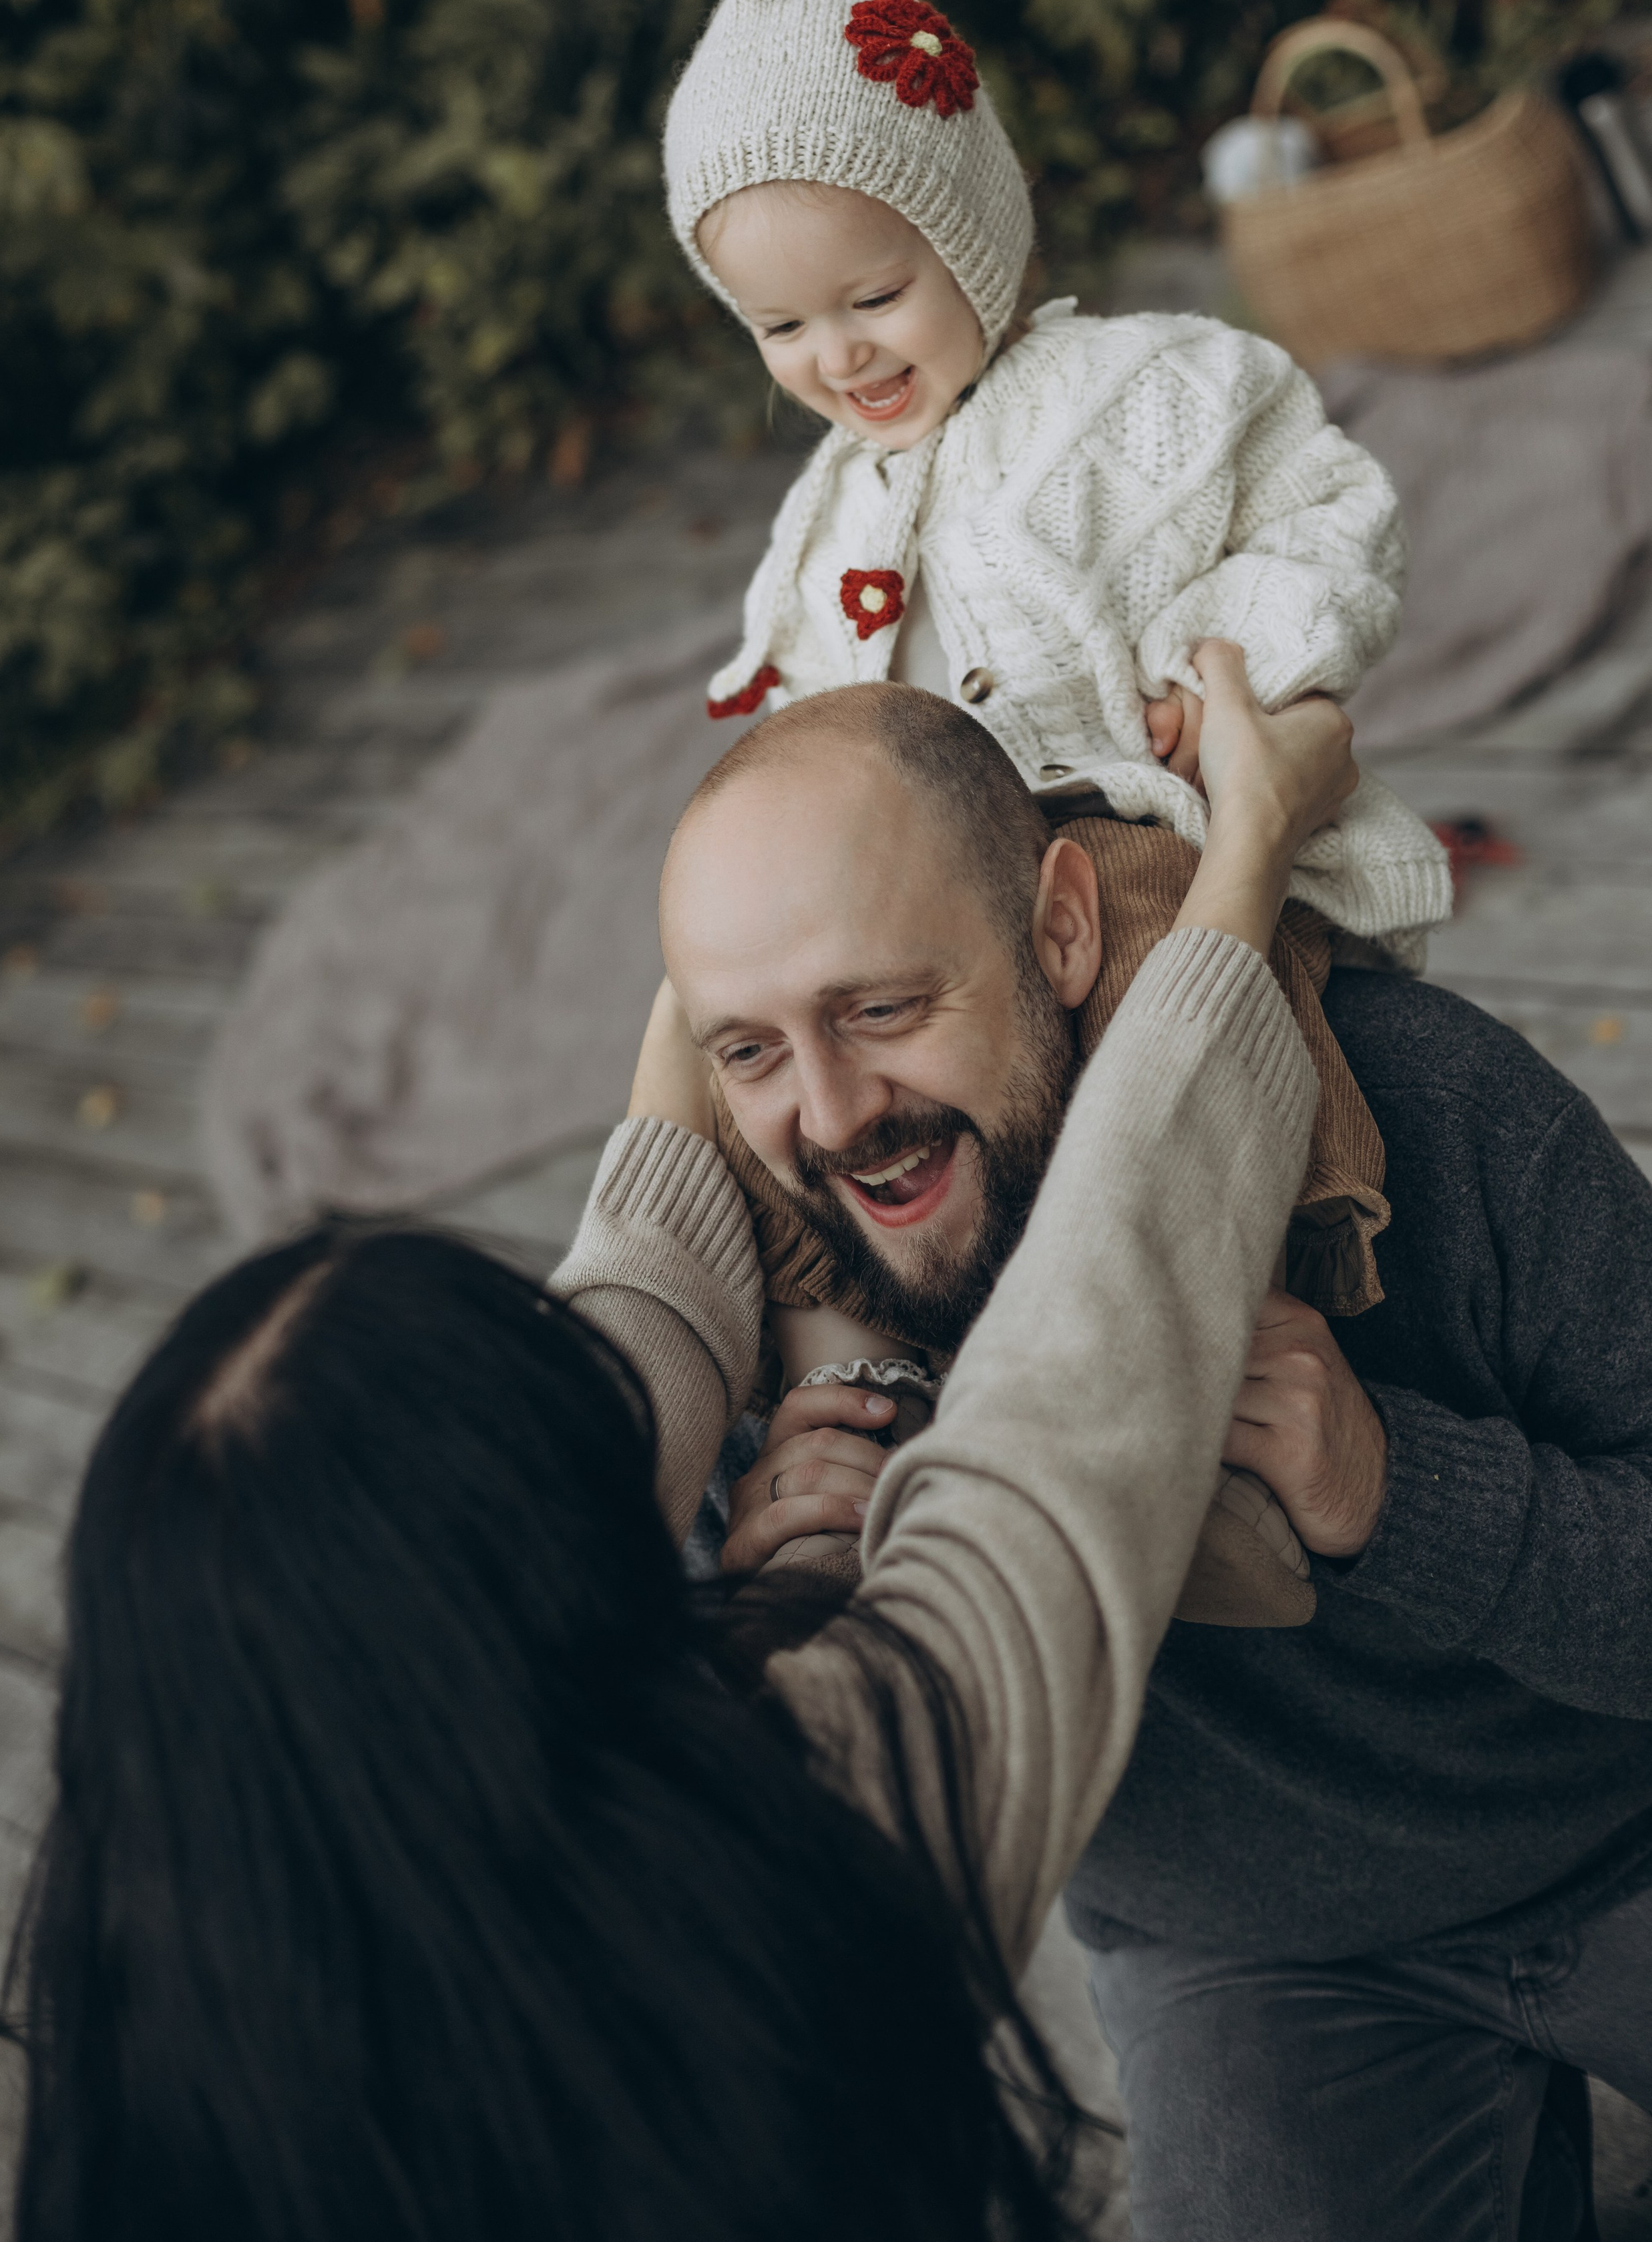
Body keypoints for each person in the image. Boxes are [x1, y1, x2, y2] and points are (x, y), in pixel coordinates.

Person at [13, 660, 1347, 2242]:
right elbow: (1077, 1389)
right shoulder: (776, 1876)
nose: (836, 1111)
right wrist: (1249, 847)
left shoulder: (159, 1996)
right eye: (755, 1053)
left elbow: (614, 1364)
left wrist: (729, 988)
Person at [644, 662, 1652, 2242]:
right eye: (751, 1051)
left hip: (1611, 1822)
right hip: (1248, 1953)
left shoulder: (1425, 1113)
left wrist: (1399, 1487)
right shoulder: (778, 1308)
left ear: (1059, 928)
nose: (834, 1118)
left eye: (882, 1010)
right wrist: (751, 1594)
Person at [661, 0, 1452, 1608]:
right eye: (779, 326)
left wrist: (1223, 656)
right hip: (925, 910)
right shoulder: (823, 520)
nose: (833, 355)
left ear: (972, 229)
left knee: (1178, 970)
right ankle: (858, 1381)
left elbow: (1333, 513)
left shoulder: (1142, 396)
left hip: (1132, 824)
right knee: (794, 1094)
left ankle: (1245, 1346)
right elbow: (812, 718)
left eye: (871, 294)